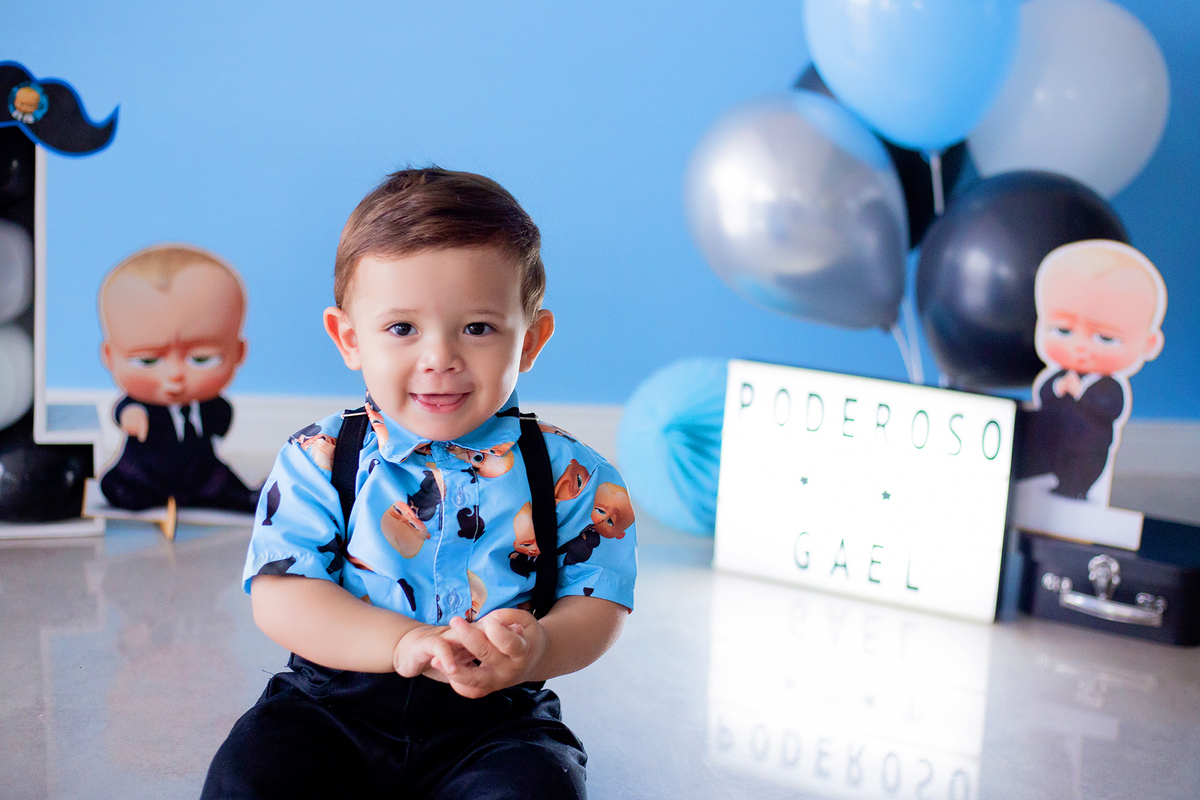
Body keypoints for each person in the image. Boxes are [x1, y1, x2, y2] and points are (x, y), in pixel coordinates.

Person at [203, 168, 637, 799]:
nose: (440, 358)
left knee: (535, 789)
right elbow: (282, 594)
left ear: (531, 340)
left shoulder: (578, 479)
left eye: (479, 328)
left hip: (495, 719)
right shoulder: (321, 458)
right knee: (251, 779)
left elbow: (598, 605)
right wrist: (402, 641)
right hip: (331, 705)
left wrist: (538, 647)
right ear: (350, 339)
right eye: (402, 328)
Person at [97, 243, 259, 513]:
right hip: (148, 470)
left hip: (199, 470)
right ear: (110, 356)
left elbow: (220, 421)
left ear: (238, 352)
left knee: (222, 481)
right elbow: (124, 410)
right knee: (119, 484)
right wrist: (132, 417)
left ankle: (249, 499)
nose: (174, 375)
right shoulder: (139, 406)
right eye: (148, 360)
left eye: (202, 359)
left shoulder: (208, 405)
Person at [1025, 239, 1166, 502]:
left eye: (1105, 338)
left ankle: (1078, 487)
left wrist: (1082, 394)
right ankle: (1059, 482)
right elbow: (1045, 395)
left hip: (1089, 448)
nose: (1080, 347)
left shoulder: (1109, 387)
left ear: (1149, 343)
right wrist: (1057, 388)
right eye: (1063, 331)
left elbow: (1111, 408)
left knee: (1083, 467)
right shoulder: (1060, 376)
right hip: (1057, 442)